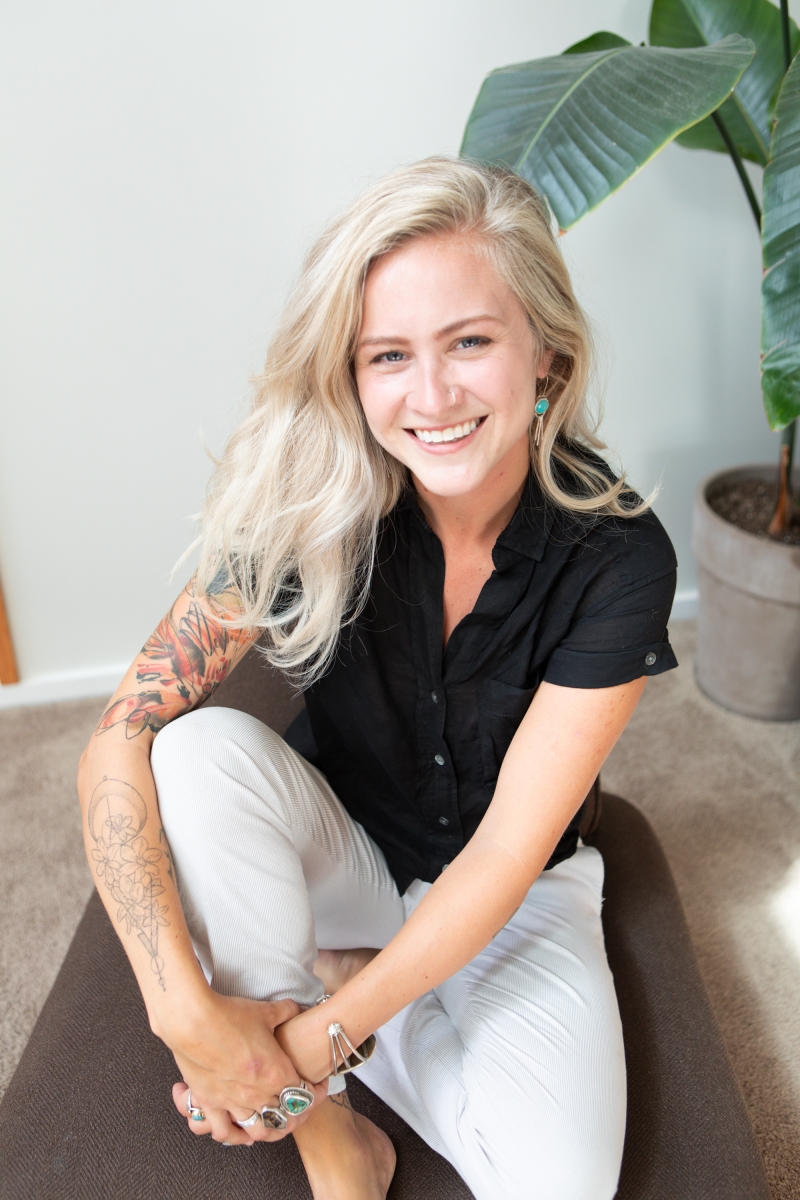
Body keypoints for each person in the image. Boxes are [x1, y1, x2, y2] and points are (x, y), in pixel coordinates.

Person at [78, 157, 678, 1200]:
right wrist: (181, 1010)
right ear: (348, 375)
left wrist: (308, 1042)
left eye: (470, 343)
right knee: (194, 750)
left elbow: (496, 863)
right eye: (387, 355)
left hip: (516, 891)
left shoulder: (619, 557)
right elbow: (115, 735)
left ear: (546, 356)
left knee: (560, 1188)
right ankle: (336, 1147)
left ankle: (343, 1006)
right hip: (341, 853)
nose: (432, 396)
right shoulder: (308, 504)